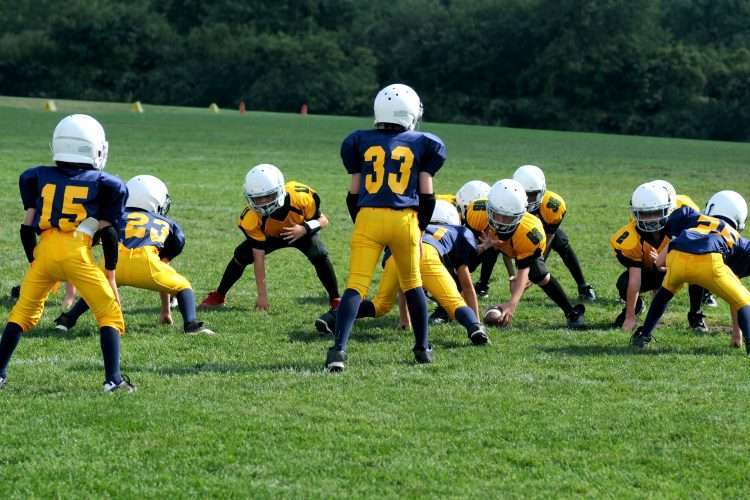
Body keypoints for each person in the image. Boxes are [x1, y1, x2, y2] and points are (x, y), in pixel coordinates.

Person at [0, 114, 133, 392]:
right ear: (95, 148)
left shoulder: (36, 175)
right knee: (108, 313)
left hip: (45, 250)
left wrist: (36, 262)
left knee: (21, 313)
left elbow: (26, 230)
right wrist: (110, 272)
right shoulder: (106, 183)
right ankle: (113, 380)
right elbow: (109, 233)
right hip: (77, 252)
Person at [325, 83, 444, 372]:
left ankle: (339, 350)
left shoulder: (359, 140)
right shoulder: (423, 143)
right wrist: (418, 227)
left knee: (356, 286)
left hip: (368, 216)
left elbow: (353, 193)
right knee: (413, 285)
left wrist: (363, 222)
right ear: (410, 113)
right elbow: (428, 196)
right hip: (405, 220)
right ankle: (422, 347)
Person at [54, 175, 214, 336]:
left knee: (96, 289)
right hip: (146, 263)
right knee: (183, 286)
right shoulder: (168, 224)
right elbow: (165, 263)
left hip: (114, 262)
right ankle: (191, 324)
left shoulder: (115, 215)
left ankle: (66, 320)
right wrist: (166, 310)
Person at [317, 200, 489, 345]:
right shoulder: (460, 232)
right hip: (427, 255)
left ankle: (331, 316)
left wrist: (405, 320)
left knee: (380, 305)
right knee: (454, 302)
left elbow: (403, 286)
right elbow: (466, 286)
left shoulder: (417, 226)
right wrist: (478, 320)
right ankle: (474, 327)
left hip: (397, 255)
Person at [200, 164, 339, 313]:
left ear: (280, 190)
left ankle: (335, 298)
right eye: (258, 199)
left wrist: (304, 229)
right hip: (269, 237)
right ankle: (219, 295)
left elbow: (323, 220)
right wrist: (262, 295)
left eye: (268, 196)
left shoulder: (301, 197)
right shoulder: (251, 217)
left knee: (319, 253)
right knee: (241, 255)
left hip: (299, 231)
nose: (264, 203)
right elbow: (258, 258)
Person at [631, 190, 750, 352]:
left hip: (678, 256)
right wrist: (737, 334)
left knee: (663, 295)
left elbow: (662, 258)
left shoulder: (693, 217)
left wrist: (664, 265)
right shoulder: (737, 237)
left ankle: (644, 335)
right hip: (709, 261)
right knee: (744, 300)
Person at [481, 179, 585, 328]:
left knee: (539, 274)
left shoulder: (529, 232)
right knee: (467, 256)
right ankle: (450, 306)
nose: (502, 222)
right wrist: (480, 248)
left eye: (508, 217)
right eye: (498, 214)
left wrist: (512, 303)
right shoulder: (477, 215)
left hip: (521, 243)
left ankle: (571, 312)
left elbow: (524, 270)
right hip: (493, 240)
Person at [610, 182, 707, 331]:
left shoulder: (683, 223)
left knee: (698, 269)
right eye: (644, 214)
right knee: (624, 282)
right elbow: (635, 279)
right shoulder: (631, 237)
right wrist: (630, 317)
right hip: (651, 269)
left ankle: (695, 315)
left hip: (680, 266)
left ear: (669, 209)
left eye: (655, 213)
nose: (649, 220)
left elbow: (692, 258)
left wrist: (663, 263)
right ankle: (636, 307)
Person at [511, 165, 596, 301]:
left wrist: (539, 264)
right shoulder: (509, 203)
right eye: (525, 194)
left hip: (543, 233)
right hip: (518, 233)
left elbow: (549, 237)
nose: (528, 200)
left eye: (532, 195)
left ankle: (583, 285)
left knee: (561, 242)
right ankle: (483, 285)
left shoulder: (553, 205)